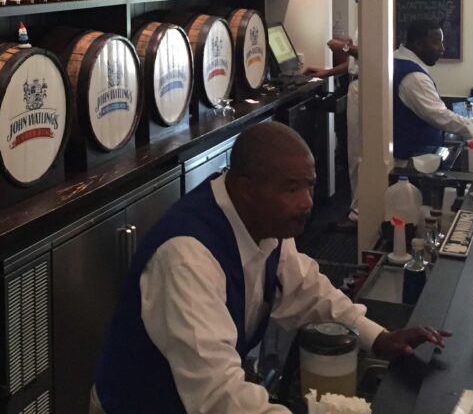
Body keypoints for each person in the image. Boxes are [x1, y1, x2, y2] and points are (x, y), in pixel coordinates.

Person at [92, 122, 449, 414]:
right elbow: (219, 394)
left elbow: (308, 291)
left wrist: (379, 338)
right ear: (246, 189)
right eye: (291, 189)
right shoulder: (188, 257)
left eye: (309, 186)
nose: (307, 202)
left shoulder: (266, 225)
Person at [393, 19, 473, 159]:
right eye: (436, 43)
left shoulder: (396, 59)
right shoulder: (414, 77)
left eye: (442, 42)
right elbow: (441, 117)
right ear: (418, 44)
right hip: (411, 161)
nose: (442, 49)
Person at [306, 0, 360, 221]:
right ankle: (356, 204)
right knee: (353, 150)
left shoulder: (376, 14)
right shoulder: (366, 15)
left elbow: (370, 55)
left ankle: (360, 209)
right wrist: (327, 72)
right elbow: (355, 63)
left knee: (359, 150)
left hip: (364, 88)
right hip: (356, 82)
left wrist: (344, 47)